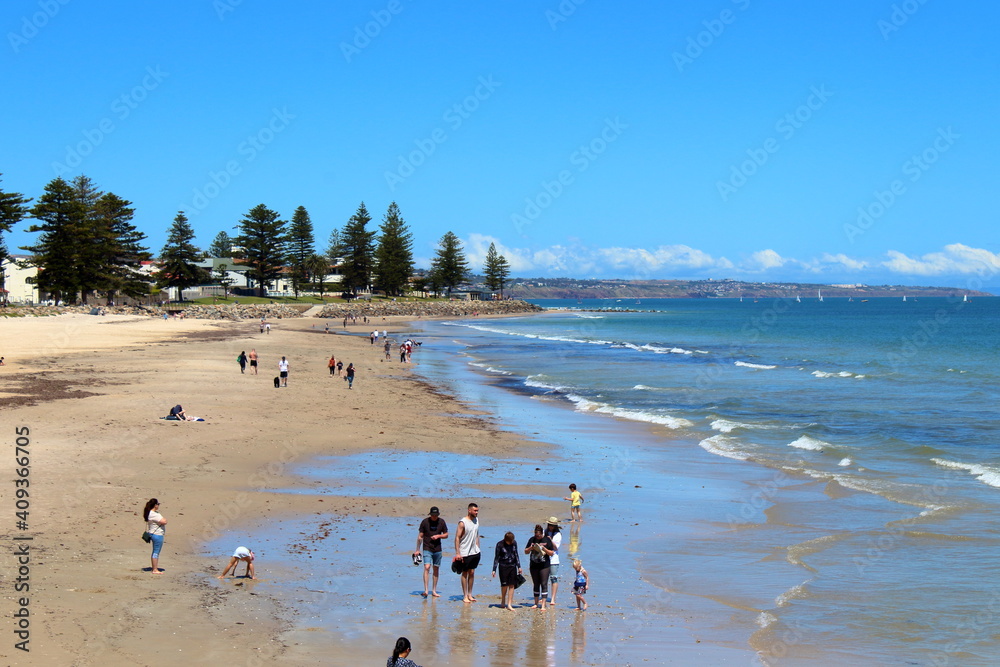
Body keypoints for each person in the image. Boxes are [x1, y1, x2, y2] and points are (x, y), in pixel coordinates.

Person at [414, 506, 449, 598]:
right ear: (430, 515)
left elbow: (446, 535)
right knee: (427, 567)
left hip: (437, 549)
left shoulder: (441, 522)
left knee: (436, 568)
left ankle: (434, 590)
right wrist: (417, 549)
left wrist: (438, 536)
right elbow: (420, 536)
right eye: (433, 515)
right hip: (427, 548)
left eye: (436, 515)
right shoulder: (425, 522)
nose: (434, 517)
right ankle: (426, 590)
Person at [454, 502, 481, 603]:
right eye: (475, 510)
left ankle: (470, 594)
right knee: (465, 573)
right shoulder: (462, 522)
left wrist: (478, 546)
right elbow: (457, 537)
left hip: (475, 551)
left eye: (477, 511)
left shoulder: (476, 520)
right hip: (464, 552)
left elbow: (477, 534)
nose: (476, 512)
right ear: (469, 510)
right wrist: (458, 553)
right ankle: (465, 595)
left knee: (472, 572)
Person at [524, 524, 555, 610]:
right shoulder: (532, 539)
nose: (537, 537)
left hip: (544, 565)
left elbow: (552, 553)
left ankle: (543, 604)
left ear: (542, 534)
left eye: (538, 535)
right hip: (534, 565)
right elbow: (525, 551)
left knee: (544, 584)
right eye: (536, 535)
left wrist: (544, 549)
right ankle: (536, 603)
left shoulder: (546, 540)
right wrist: (531, 548)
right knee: (536, 584)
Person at [491, 531, 522, 611]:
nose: (511, 542)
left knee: (512, 585)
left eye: (512, 541)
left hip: (512, 566)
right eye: (510, 541)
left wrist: (519, 566)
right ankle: (503, 600)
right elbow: (496, 557)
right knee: (504, 585)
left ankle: (509, 604)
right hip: (503, 566)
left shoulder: (514, 543)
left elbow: (516, 555)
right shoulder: (499, 544)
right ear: (505, 540)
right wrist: (494, 569)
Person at [143, 498, 167, 574]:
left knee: (155, 551)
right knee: (156, 552)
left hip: (153, 534)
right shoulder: (153, 514)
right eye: (158, 504)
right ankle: (155, 569)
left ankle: (154, 568)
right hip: (157, 535)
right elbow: (164, 521)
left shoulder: (151, 513)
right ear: (155, 505)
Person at [545, 516, 563, 606]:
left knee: (553, 578)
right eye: (550, 525)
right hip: (545, 558)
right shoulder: (546, 531)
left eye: (552, 525)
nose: (551, 527)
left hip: (554, 559)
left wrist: (550, 540)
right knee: (544, 578)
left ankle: (552, 598)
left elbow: (556, 547)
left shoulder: (558, 535)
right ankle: (543, 597)